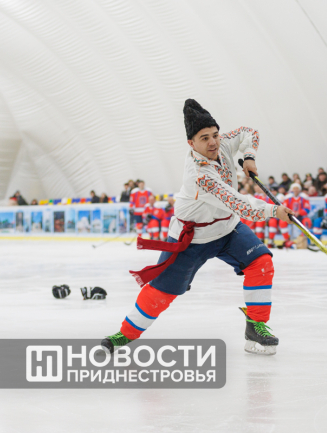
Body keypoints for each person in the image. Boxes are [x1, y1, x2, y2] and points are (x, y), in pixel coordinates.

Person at [102, 99, 294, 356]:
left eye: (215, 134)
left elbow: (250, 132)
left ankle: (255, 327)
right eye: (205, 138)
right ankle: (124, 335)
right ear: (191, 143)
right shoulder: (199, 174)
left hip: (227, 228)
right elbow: (238, 203)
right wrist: (273, 211)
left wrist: (249, 157)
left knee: (261, 263)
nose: (213, 142)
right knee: (162, 292)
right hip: (192, 238)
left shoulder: (222, 144)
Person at [280, 183, 311, 248]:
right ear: (292, 189)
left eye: (297, 188)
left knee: (307, 221)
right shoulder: (288, 197)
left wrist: (299, 212)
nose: (296, 190)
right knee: (282, 222)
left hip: (301, 216)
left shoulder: (304, 197)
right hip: (290, 216)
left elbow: (307, 209)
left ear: (300, 189)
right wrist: (290, 213)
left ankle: (303, 240)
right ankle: (287, 240)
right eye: (294, 188)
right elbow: (284, 208)